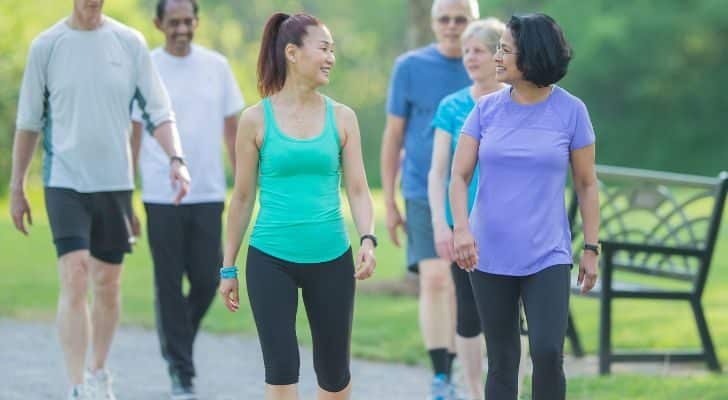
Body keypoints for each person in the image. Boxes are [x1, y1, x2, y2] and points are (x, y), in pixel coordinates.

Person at [9, 1, 189, 399]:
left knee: (107, 282)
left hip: (114, 183)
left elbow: (160, 112)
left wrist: (176, 158)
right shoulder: (47, 45)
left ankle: (98, 372)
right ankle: (76, 386)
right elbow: (28, 122)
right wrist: (17, 185)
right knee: (74, 274)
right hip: (64, 181)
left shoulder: (129, 43)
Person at [217, 12, 376, 400]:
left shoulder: (342, 117)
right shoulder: (254, 120)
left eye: (333, 50)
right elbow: (241, 197)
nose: (331, 58)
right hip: (271, 258)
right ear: (292, 52)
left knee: (334, 373)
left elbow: (357, 188)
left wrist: (368, 239)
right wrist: (228, 267)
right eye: (323, 48)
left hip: (332, 257)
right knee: (282, 368)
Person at [450, 13, 601, 400]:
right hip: (488, 255)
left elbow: (586, 184)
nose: (496, 57)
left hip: (547, 254)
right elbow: (458, 176)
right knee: (502, 360)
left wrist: (591, 248)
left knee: (548, 352)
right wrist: (461, 230)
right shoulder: (485, 109)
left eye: (505, 50)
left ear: (531, 56)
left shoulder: (572, 112)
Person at [129, 0, 244, 398]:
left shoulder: (217, 66)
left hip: (208, 190)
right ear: (159, 23)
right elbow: (134, 132)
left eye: (188, 21)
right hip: (161, 193)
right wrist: (129, 191)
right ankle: (181, 370)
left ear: (197, 22)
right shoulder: (145, 67)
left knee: (208, 277)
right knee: (167, 282)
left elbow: (234, 130)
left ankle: (177, 344)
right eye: (173, 22)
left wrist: (243, 179)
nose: (181, 28)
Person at [380, 0, 477, 397]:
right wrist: (388, 200)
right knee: (436, 279)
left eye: (461, 19)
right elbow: (393, 135)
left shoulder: (486, 62)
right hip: (423, 189)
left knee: (462, 286)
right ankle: (441, 374)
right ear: (434, 23)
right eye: (444, 19)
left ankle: (468, 367)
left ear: (473, 23)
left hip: (476, 192)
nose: (452, 27)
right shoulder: (409, 67)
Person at [427, 18, 505, 400]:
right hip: (464, 230)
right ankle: (475, 393)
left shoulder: (517, 101)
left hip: (509, 229)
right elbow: (438, 172)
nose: (470, 57)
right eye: (467, 51)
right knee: (469, 314)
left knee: (510, 318)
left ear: (499, 55)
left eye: (479, 50)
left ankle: (510, 390)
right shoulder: (452, 106)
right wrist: (442, 226)